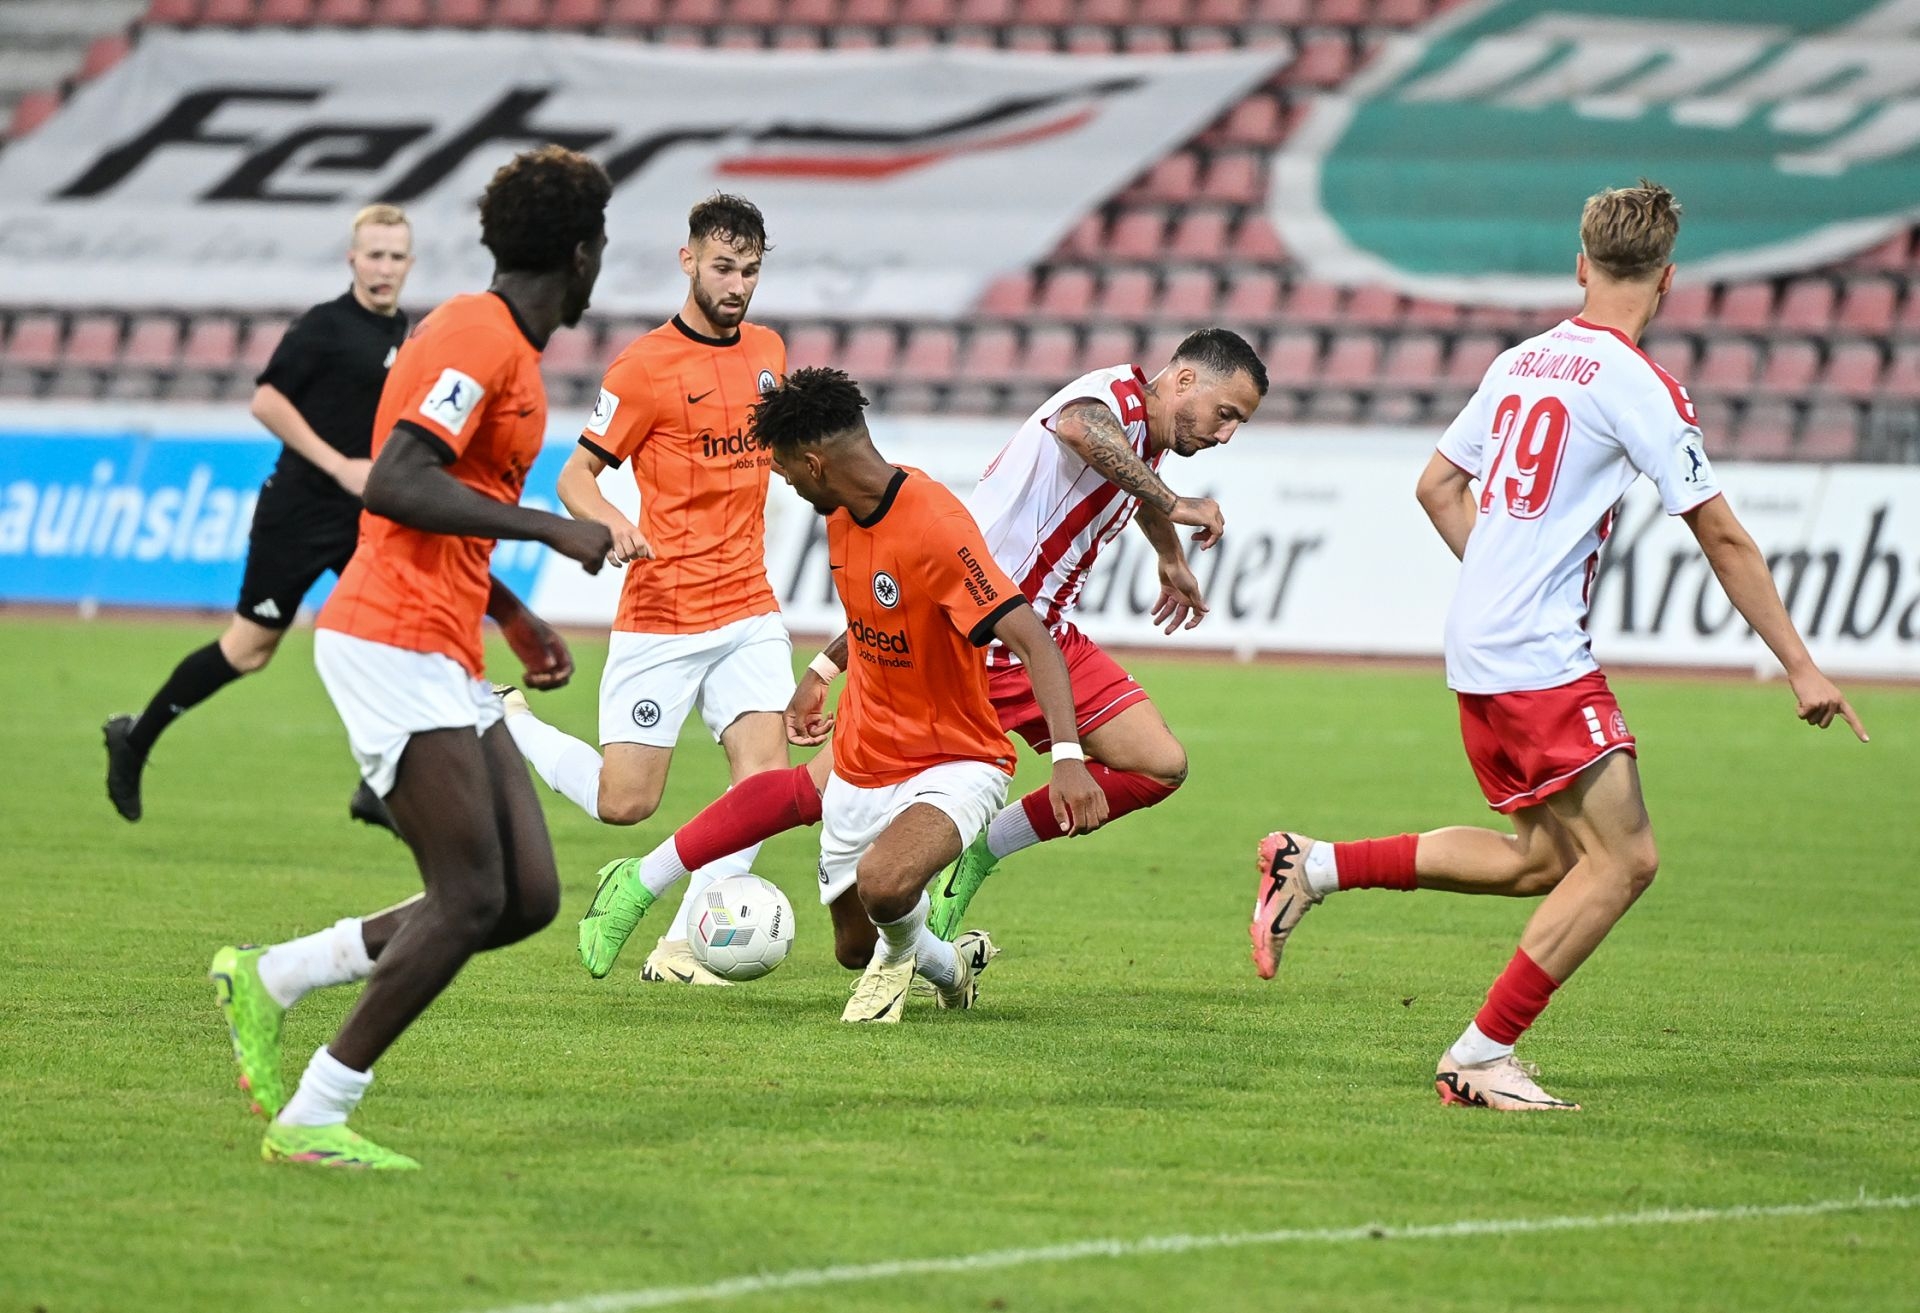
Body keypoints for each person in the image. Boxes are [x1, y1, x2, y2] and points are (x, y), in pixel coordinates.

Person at [1248, 180, 1868, 1111]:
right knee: (1626, 860)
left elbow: (1435, 486)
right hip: (1538, 655)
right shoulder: (1641, 385)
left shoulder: (1520, 361)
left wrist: (1498, 579)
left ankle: (1314, 863)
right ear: (1668, 281)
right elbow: (1722, 535)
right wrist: (1801, 664)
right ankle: (1478, 1054)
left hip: (1479, 645)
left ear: (1581, 267)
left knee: (1544, 859)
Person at [589, 330, 1268, 959]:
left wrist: (1169, 554)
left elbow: (1128, 472)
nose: (1227, 433)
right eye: (1226, 413)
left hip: (1041, 633)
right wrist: (1179, 504)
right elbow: (1081, 430)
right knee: (824, 827)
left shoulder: (1144, 433)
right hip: (974, 642)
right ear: (1183, 380)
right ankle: (645, 877)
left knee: (1159, 765)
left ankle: (979, 854)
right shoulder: (1108, 401)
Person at [208, 146, 616, 1169]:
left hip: (443, 635)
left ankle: (276, 974)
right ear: (579, 253)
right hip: (389, 634)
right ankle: (316, 1111)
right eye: (600, 244)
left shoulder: (498, 342)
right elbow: (395, 482)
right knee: (469, 895)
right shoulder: (479, 336)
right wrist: (549, 527)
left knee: (523, 896)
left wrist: (509, 610)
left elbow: (441, 503)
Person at [577, 369, 1107, 1021]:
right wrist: (822, 671)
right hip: (863, 758)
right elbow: (876, 611)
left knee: (886, 885)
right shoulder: (842, 511)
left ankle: (892, 971)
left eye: (784, 468)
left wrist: (1068, 759)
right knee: (855, 945)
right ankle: (948, 967)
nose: (782, 480)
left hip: (954, 758)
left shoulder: (936, 524)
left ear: (815, 464)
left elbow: (1035, 642)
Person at [500, 195, 790, 987]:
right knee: (624, 802)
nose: (737, 285)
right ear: (688, 261)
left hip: (749, 605)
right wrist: (613, 520)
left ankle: (682, 944)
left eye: (750, 271)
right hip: (664, 610)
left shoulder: (769, 351)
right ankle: (510, 722)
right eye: (723, 267)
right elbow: (575, 476)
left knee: (765, 783)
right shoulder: (644, 368)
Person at [103, 205, 415, 828]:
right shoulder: (324, 326)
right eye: (374, 255)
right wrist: (339, 465)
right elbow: (267, 402)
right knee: (249, 650)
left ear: (410, 263)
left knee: (398, 635)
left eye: (396, 256)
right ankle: (134, 740)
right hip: (299, 512)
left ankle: (376, 783)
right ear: (352, 259)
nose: (385, 268)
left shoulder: (400, 328)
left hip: (362, 517)